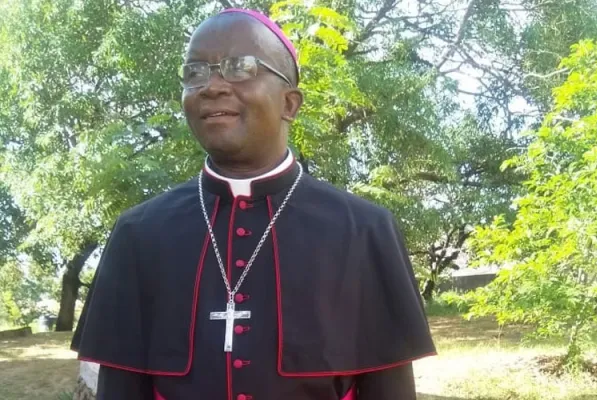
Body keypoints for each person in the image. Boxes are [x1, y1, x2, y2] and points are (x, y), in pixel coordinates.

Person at [71, 8, 436, 400]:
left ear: (290, 104)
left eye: (239, 67)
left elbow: (390, 390)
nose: (212, 86)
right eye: (195, 71)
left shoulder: (365, 229)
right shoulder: (137, 233)